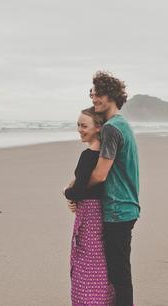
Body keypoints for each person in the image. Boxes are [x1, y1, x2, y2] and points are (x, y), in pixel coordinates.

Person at [87, 71, 140, 306]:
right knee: (119, 273)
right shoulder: (122, 125)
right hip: (126, 208)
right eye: (92, 93)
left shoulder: (111, 128)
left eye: (97, 93)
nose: (93, 97)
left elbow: (100, 174)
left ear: (110, 96)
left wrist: (73, 191)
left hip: (118, 210)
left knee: (119, 275)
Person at [63, 107, 115, 305]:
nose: (79, 129)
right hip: (102, 210)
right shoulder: (105, 155)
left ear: (98, 128)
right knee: (100, 258)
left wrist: (67, 192)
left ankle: (88, 300)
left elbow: (79, 190)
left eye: (84, 125)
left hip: (89, 214)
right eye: (78, 124)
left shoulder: (88, 156)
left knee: (87, 258)